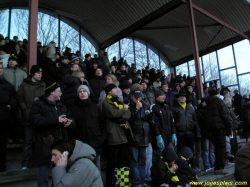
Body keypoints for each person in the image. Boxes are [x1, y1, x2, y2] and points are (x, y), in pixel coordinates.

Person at [29, 81, 75, 187]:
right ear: (52, 93)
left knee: (59, 177)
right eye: (59, 91)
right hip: (45, 146)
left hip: (60, 148)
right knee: (43, 176)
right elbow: (35, 122)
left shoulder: (62, 106)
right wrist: (56, 120)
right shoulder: (38, 105)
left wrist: (70, 122)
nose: (61, 93)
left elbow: (72, 118)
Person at [68, 85, 106, 173]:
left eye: (84, 91)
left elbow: (102, 124)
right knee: (82, 169)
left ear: (88, 93)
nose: (82, 93)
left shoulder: (95, 108)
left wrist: (102, 138)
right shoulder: (73, 109)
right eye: (80, 91)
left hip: (96, 143)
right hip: (81, 144)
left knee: (97, 167)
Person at [102, 84, 133, 187]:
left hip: (123, 134)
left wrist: (122, 115)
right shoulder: (106, 102)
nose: (117, 89)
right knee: (112, 163)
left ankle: (122, 183)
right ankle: (111, 184)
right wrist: (123, 110)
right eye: (114, 88)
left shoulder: (119, 101)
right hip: (114, 136)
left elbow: (128, 113)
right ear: (109, 92)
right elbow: (113, 113)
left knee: (123, 163)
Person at [17, 65, 45, 170]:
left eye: (41, 73)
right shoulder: (24, 85)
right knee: (28, 141)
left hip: (40, 118)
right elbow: (19, 98)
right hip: (28, 118)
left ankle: (40, 162)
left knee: (40, 141)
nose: (40, 75)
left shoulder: (43, 85)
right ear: (33, 74)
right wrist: (24, 110)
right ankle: (26, 163)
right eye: (38, 73)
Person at [204, 89, 233, 175]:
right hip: (220, 128)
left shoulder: (208, 103)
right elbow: (225, 114)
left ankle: (217, 166)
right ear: (217, 94)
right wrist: (229, 126)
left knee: (216, 148)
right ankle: (220, 167)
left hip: (211, 129)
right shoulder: (218, 101)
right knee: (221, 148)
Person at [171, 91, 201, 169]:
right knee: (181, 152)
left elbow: (195, 121)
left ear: (186, 98)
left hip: (190, 133)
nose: (182, 97)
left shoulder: (191, 108)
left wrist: (197, 132)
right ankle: (183, 168)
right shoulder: (174, 108)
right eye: (180, 96)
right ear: (178, 98)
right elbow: (172, 122)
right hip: (180, 133)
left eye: (184, 96)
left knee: (191, 151)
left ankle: (193, 166)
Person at [128, 89, 151, 187]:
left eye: (140, 97)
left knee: (142, 161)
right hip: (134, 139)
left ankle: (142, 181)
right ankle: (136, 182)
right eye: (136, 97)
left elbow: (150, 118)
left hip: (144, 138)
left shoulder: (144, 106)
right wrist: (137, 110)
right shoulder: (129, 107)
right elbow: (131, 120)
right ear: (132, 96)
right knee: (134, 162)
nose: (138, 99)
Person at [0, 63, 18, 172]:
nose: (0, 70)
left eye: (1, 68)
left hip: (3, 118)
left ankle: (1, 167)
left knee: (2, 145)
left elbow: (15, 97)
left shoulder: (8, 85)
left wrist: (10, 105)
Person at [150, 89, 176, 162]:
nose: (163, 97)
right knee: (160, 158)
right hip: (160, 138)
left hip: (169, 137)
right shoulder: (154, 107)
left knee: (172, 156)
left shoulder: (167, 107)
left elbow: (172, 121)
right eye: (161, 95)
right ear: (156, 97)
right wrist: (158, 135)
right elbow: (154, 123)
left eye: (164, 95)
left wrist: (174, 133)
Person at [196, 98, 215, 172]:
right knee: (206, 150)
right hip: (205, 133)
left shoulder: (210, 111)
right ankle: (207, 165)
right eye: (204, 102)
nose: (205, 104)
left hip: (210, 132)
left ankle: (212, 163)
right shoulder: (199, 112)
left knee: (211, 149)